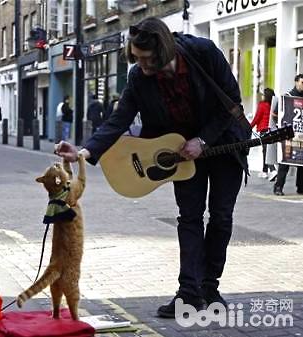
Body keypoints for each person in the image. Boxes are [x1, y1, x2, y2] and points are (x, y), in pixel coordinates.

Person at [55, 17, 251, 318]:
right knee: (189, 218)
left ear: (164, 49)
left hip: (224, 144)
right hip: (181, 154)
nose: (141, 64)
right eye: (136, 58)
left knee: (221, 217)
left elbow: (232, 103)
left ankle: (209, 288)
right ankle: (188, 293)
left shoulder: (204, 53)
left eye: (146, 58)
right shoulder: (139, 77)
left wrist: (203, 139)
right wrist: (83, 152)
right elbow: (118, 120)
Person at [273, 74, 303, 196]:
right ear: (296, 82)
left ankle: (301, 187)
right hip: (288, 135)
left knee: (301, 162)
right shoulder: (287, 97)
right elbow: (275, 115)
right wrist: (280, 128)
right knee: (285, 161)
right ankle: (278, 187)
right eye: (302, 82)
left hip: (301, 135)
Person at [250, 88, 277, 180]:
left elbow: (257, 117)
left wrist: (249, 127)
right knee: (266, 150)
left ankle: (272, 170)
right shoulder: (274, 105)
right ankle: (265, 171)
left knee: (266, 151)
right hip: (273, 130)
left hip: (264, 130)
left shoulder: (262, 105)